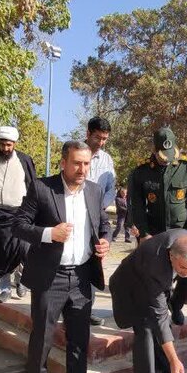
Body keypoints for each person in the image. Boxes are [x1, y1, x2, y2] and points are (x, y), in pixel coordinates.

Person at [14, 141, 110, 373]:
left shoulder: (94, 191)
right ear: (63, 163)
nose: (82, 169)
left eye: (86, 164)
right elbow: (19, 225)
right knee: (42, 338)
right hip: (50, 277)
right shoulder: (42, 188)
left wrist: (105, 240)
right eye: (76, 163)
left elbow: (103, 224)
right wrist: (49, 234)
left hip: (82, 276)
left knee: (79, 340)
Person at [127, 127, 187, 325]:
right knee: (155, 272)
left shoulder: (186, 168)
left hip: (182, 231)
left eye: (170, 155)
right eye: (162, 156)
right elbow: (136, 206)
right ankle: (158, 312)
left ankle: (176, 304)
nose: (167, 160)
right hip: (155, 232)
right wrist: (143, 233)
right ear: (154, 150)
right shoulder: (141, 172)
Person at [109, 230, 187, 373]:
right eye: (183, 267)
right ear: (171, 256)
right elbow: (160, 317)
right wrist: (174, 359)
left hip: (154, 282)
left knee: (162, 326)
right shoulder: (155, 264)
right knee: (146, 327)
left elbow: (186, 279)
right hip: (130, 286)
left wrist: (175, 306)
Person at [0, 125, 37, 302]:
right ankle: (4, 290)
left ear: (14, 144)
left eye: (9, 145)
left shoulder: (24, 160)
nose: (5, 148)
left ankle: (22, 281)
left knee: (23, 249)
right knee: (1, 252)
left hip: (20, 213)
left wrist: (33, 211)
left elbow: (33, 186)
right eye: (2, 144)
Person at [85, 116, 116, 326]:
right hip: (74, 216)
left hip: (97, 219)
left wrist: (100, 208)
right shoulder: (74, 151)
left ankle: (86, 310)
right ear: (88, 133)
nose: (101, 142)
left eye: (105, 139)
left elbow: (110, 188)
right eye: (98, 137)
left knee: (94, 264)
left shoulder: (107, 160)